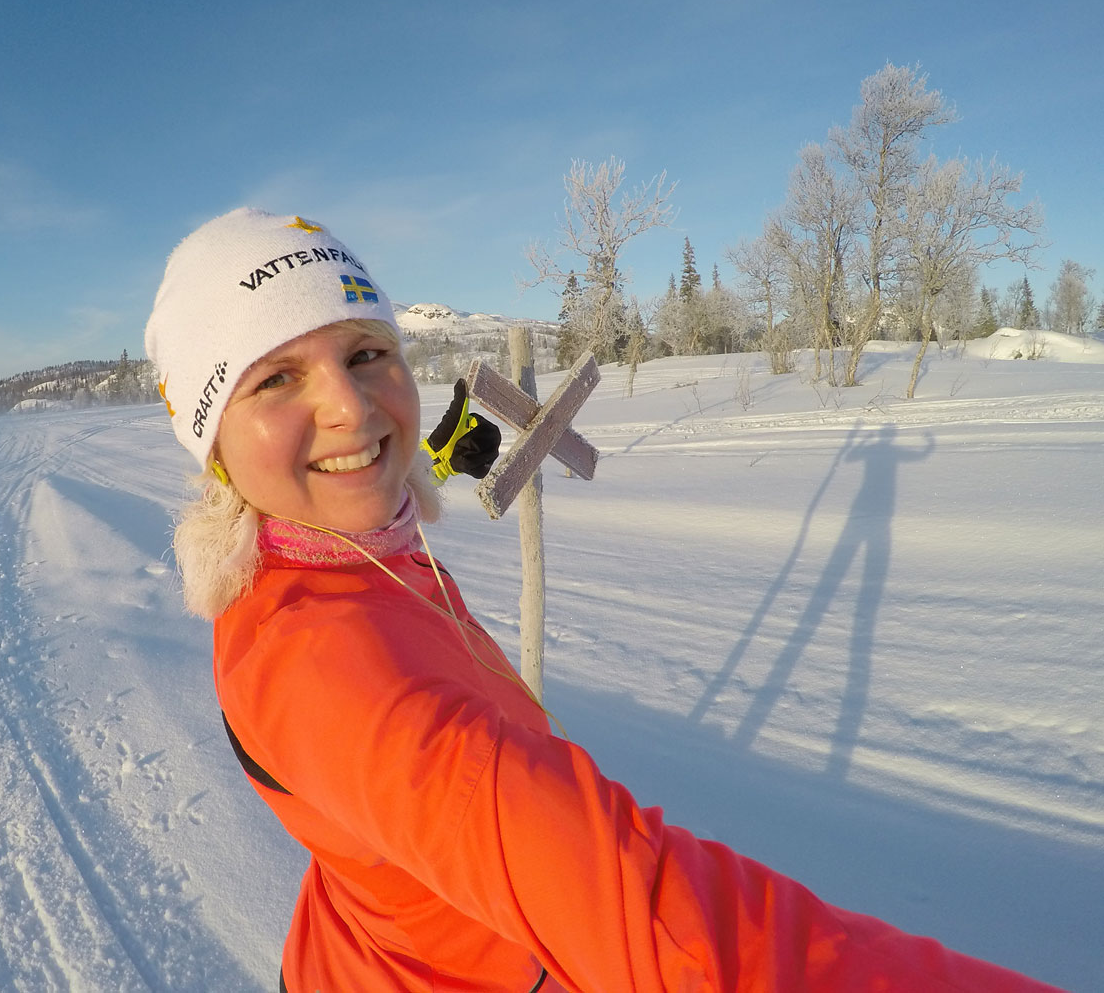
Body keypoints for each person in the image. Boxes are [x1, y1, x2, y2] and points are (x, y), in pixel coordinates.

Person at [144, 208, 1058, 993]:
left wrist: (432, 458)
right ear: (211, 438)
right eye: (275, 377)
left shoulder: (320, 546)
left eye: (367, 351)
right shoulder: (336, 672)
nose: (353, 407)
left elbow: (378, 472)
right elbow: (669, 931)